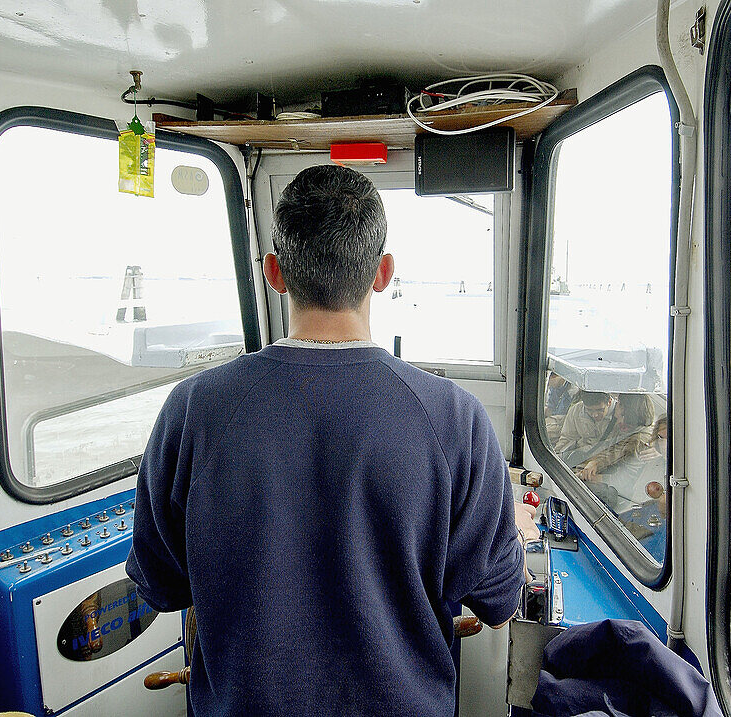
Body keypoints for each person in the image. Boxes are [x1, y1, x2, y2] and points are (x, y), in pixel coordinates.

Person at [126, 164, 537, 717]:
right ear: (383, 273)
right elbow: (498, 600)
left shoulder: (193, 410)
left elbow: (163, 586)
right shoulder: (455, 418)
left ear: (274, 273)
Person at [554, 390, 615, 465]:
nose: (595, 415)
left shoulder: (619, 415)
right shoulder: (575, 411)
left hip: (605, 461)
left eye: (600, 410)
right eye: (589, 410)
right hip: (581, 457)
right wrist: (556, 457)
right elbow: (567, 438)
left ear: (609, 402)